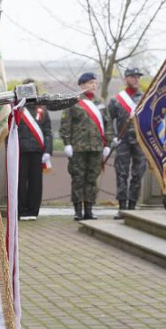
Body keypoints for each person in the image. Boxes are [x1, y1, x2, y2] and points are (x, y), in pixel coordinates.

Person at [60, 72, 112, 220]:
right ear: (82, 84)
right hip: (78, 147)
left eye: (95, 83)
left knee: (92, 179)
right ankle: (78, 210)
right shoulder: (73, 101)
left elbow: (107, 123)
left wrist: (107, 143)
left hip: (96, 147)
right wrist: (67, 143)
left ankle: (89, 209)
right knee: (78, 179)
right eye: (90, 83)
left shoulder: (100, 102)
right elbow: (66, 125)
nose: (94, 86)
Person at [107, 67, 147, 217]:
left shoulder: (145, 99)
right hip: (122, 141)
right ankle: (122, 207)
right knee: (122, 174)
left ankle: (132, 205)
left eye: (138, 77)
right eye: (133, 77)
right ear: (126, 79)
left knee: (138, 173)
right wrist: (112, 137)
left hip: (139, 141)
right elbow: (108, 120)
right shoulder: (116, 100)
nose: (136, 79)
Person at [15, 79, 52, 220]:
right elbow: (12, 129)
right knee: (21, 181)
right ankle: (22, 210)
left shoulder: (41, 109)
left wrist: (48, 150)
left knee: (36, 182)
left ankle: (33, 211)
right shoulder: (17, 108)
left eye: (32, 89)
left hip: (38, 151)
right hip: (21, 151)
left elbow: (48, 130)